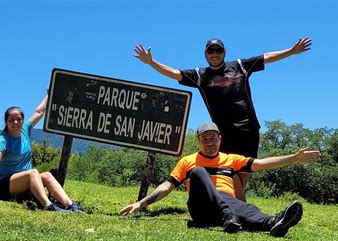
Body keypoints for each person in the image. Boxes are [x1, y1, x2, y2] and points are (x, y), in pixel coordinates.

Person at [133, 37, 312, 201]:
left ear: (224, 53)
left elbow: (266, 57)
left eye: (218, 51)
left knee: (244, 170)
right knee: (228, 170)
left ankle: (238, 205)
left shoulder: (240, 66)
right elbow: (174, 73)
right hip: (222, 133)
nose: (215, 54)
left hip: (248, 129)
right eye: (211, 51)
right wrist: (151, 63)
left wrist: (291, 51)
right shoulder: (200, 75)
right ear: (205, 55)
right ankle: (237, 205)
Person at [119, 122, 320, 237]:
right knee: (198, 172)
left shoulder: (231, 160)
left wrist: (293, 158)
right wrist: (141, 203)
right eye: (204, 139)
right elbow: (167, 185)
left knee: (245, 207)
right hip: (202, 209)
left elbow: (262, 163)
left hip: (230, 208)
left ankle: (274, 223)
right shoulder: (188, 161)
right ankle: (228, 214)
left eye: (213, 138)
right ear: (198, 141)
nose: (209, 143)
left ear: (220, 139)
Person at [0, 93, 84, 212]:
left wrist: (50, 93)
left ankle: (70, 205)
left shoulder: (25, 130)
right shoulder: (3, 140)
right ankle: (48, 206)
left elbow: (39, 112)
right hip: (5, 184)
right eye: (12, 120)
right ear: (6, 122)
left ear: (22, 121)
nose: (16, 122)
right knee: (33, 172)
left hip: (26, 181)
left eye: (19, 119)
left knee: (47, 175)